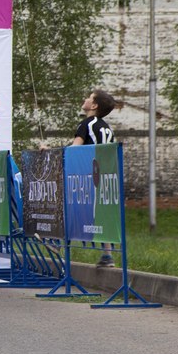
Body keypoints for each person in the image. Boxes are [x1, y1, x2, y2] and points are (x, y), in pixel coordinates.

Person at [73, 89, 118, 267]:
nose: (85, 99)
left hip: (90, 175)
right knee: (102, 214)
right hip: (107, 175)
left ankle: (57, 244)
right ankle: (107, 255)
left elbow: (74, 150)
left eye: (89, 98)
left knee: (70, 207)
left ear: (94, 105)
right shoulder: (105, 127)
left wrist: (52, 152)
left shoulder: (87, 124)